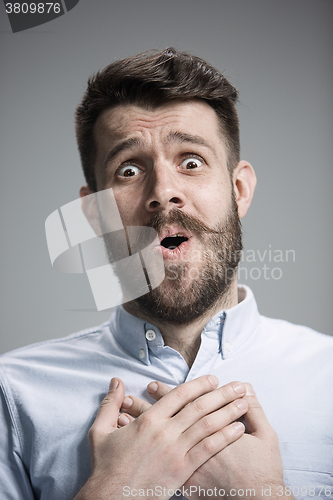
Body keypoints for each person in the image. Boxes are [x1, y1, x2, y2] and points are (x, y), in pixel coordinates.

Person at [0, 48, 332, 500]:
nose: (163, 192)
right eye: (129, 169)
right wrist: (114, 489)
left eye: (191, 161)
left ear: (238, 190)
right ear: (93, 216)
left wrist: (264, 493)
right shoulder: (11, 395)